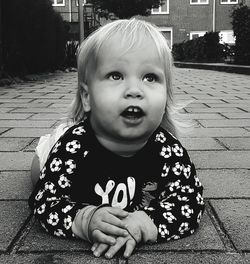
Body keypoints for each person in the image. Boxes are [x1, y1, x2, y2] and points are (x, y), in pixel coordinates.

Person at [29, 18, 205, 259]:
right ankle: (47, 146)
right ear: (87, 97)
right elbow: (46, 201)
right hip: (63, 152)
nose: (134, 89)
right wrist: (85, 219)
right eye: (115, 75)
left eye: (150, 78)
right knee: (39, 170)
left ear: (166, 99)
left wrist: (145, 223)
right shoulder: (74, 145)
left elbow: (190, 202)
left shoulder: (168, 149)